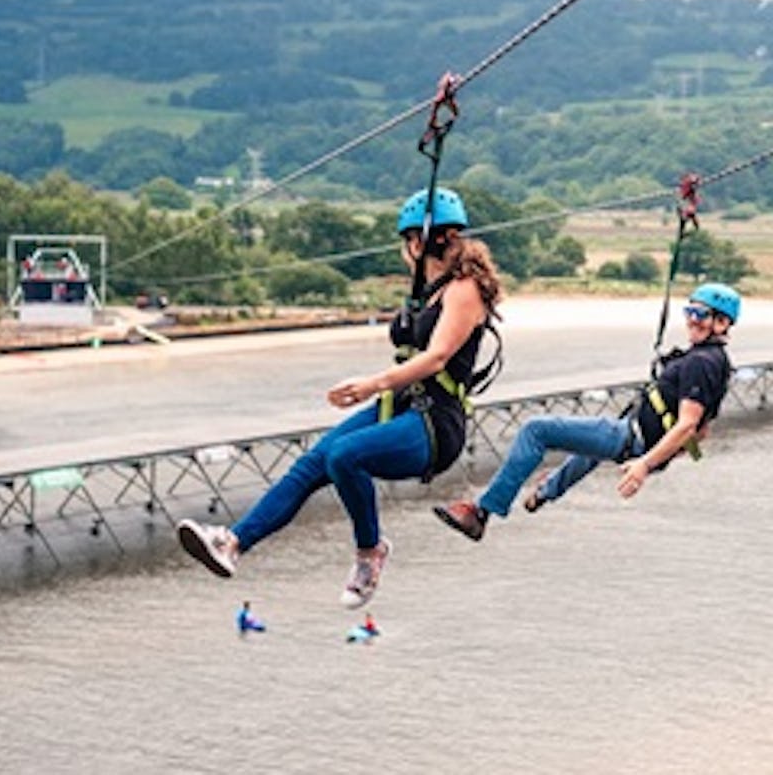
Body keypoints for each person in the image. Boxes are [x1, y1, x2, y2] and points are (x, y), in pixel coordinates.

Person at [177, 187, 502, 607]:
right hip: (403, 407)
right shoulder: (429, 290)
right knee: (312, 463)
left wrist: (373, 383)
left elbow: (438, 357)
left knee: (345, 456)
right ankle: (234, 542)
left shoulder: (465, 289)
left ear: (420, 242)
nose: (404, 253)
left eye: (406, 244)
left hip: (435, 425)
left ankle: (370, 554)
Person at [434, 282, 739, 541]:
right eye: (690, 312)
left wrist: (644, 465)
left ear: (722, 323)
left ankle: (482, 512)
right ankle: (545, 492)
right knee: (590, 449)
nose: (692, 320)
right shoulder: (717, 362)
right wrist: (666, 454)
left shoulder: (702, 363)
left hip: (633, 439)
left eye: (701, 314)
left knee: (536, 430)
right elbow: (702, 432)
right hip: (634, 433)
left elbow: (687, 426)